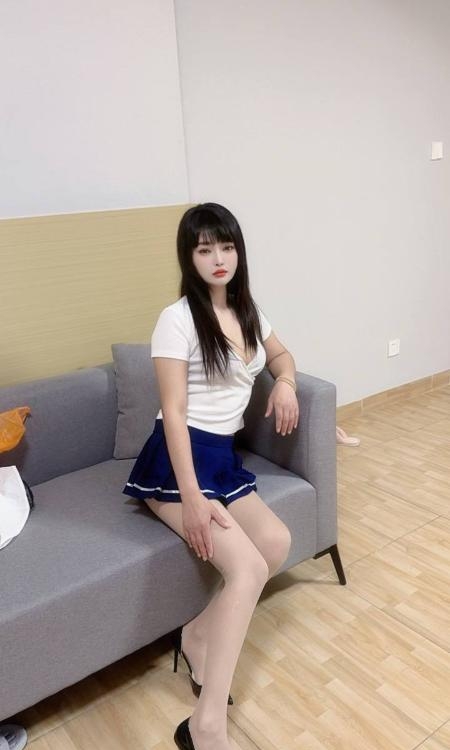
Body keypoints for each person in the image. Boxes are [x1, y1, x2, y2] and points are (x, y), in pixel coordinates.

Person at [123, 202, 299, 750]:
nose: (218, 258)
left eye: (226, 246)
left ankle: (197, 635)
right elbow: (174, 412)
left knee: (276, 542)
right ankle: (204, 726)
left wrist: (286, 382)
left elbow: (283, 356)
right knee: (247, 568)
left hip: (221, 455)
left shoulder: (250, 312)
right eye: (204, 249)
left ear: (238, 252)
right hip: (177, 459)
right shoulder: (176, 320)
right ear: (189, 257)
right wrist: (193, 500)